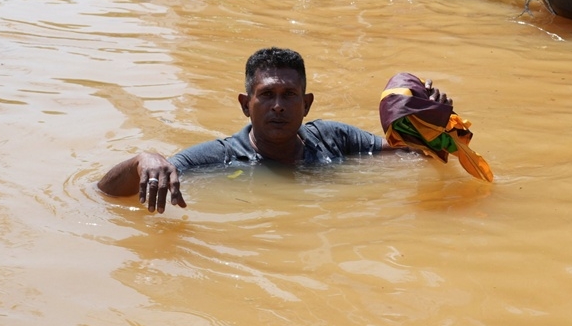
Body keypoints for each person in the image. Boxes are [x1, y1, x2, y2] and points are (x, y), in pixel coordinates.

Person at [97, 47, 419, 214]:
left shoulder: (333, 138)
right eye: (266, 95)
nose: (278, 106)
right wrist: (144, 159)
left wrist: (430, 121)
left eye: (289, 96)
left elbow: (409, 152)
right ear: (245, 104)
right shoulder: (219, 159)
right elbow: (103, 192)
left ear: (306, 104)